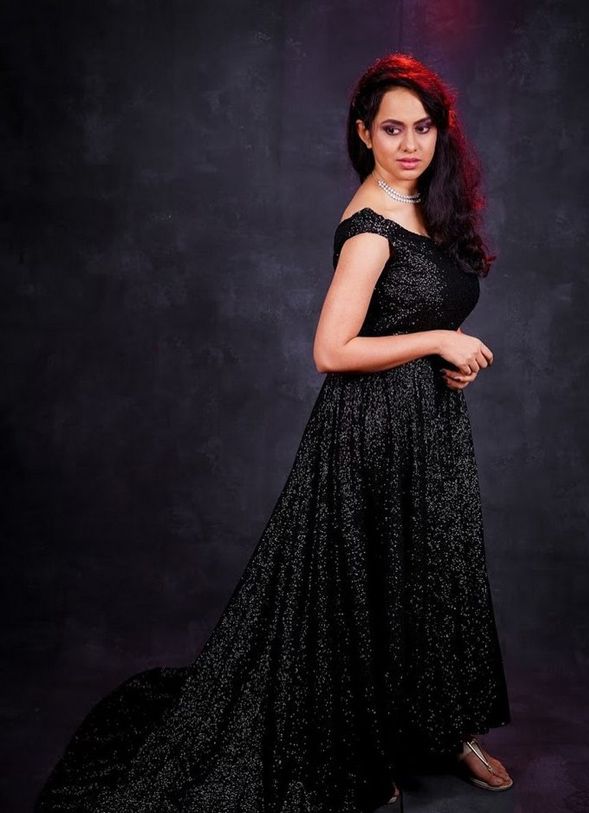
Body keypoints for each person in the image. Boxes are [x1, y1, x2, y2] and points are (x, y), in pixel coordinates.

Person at [35, 52, 513, 813]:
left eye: (423, 128)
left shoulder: (432, 205)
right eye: (392, 129)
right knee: (370, 586)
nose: (410, 144)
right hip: (368, 433)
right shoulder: (369, 229)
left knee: (436, 574)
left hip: (430, 427)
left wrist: (449, 360)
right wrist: (437, 342)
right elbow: (331, 351)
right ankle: (362, 748)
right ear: (364, 133)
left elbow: (420, 309)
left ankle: (447, 727)